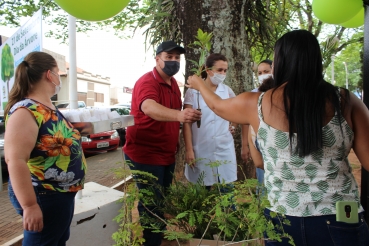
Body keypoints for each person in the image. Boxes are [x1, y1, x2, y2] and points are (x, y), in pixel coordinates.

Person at [186, 30, 369, 246]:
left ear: (280, 62)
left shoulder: (255, 103)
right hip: (340, 214)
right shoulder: (346, 101)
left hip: (281, 216)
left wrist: (199, 84)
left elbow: (217, 105)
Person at [123, 40, 201, 246]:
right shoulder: (147, 82)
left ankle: (159, 233)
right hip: (145, 154)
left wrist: (176, 143)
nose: (173, 61)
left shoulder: (174, 83)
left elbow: (174, 116)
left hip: (166, 153)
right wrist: (180, 116)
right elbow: (149, 107)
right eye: (169, 57)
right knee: (151, 201)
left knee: (162, 198)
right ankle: (151, 241)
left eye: (177, 58)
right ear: (158, 59)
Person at [4, 51, 86, 245]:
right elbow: (15, 159)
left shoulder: (47, 108)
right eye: (58, 72)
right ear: (50, 74)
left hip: (59, 195)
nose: (59, 78)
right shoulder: (26, 111)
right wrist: (30, 205)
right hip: (43, 195)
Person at [183, 53, 237, 187]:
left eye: (225, 70)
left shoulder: (227, 91)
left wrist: (233, 125)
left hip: (224, 147)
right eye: (219, 70)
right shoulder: (192, 92)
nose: (223, 73)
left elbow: (237, 113)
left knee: (227, 190)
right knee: (201, 192)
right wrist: (189, 149)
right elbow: (187, 123)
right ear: (207, 70)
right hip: (201, 148)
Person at [251, 60, 274, 185]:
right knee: (263, 180)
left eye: (266, 71)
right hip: (259, 141)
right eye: (259, 73)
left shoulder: (283, 92)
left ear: (273, 71)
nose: (263, 75)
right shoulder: (253, 94)